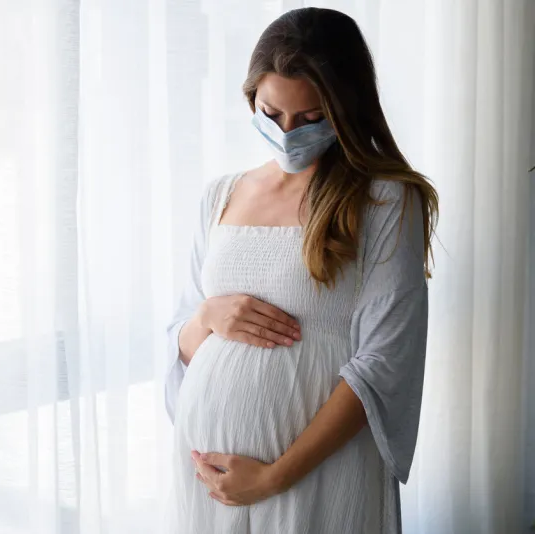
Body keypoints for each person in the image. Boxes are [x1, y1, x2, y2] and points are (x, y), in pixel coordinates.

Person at [164, 7, 438, 534]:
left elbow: (383, 362)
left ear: (345, 108)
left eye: (311, 120)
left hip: (318, 474)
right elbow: (183, 341)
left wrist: (273, 478)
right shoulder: (221, 195)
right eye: (271, 115)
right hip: (207, 478)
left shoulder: (385, 202)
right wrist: (209, 316)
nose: (288, 133)